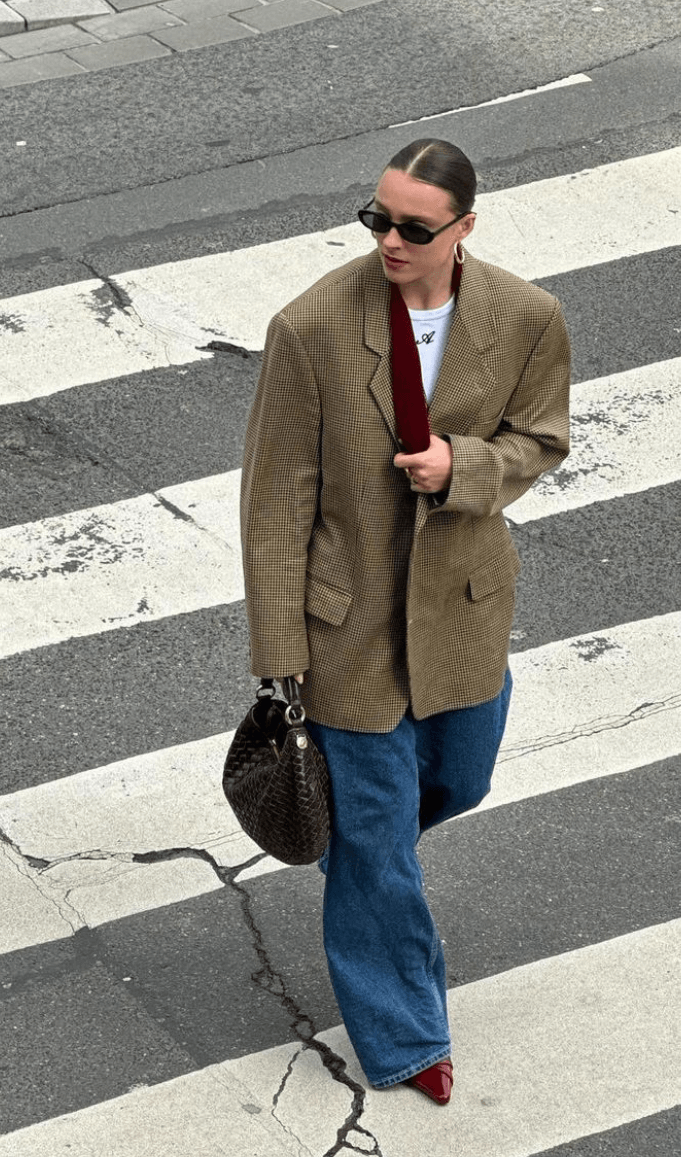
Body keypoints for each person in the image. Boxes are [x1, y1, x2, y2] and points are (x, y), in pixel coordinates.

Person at [240, 139, 570, 1106]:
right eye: (375, 219)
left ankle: (363, 862)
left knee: (459, 780)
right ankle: (407, 1037)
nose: (388, 238)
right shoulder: (311, 328)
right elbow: (275, 498)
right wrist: (280, 658)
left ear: (464, 229)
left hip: (464, 612)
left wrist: (461, 469)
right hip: (347, 630)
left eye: (412, 228)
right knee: (380, 843)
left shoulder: (526, 318)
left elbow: (542, 437)